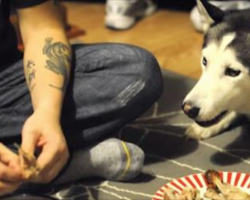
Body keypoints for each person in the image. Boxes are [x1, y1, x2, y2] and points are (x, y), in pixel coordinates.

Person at [0, 0, 163, 197]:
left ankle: (31, 163)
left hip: (7, 85)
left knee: (140, 72)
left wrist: (47, 111)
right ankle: (57, 168)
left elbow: (41, 27)